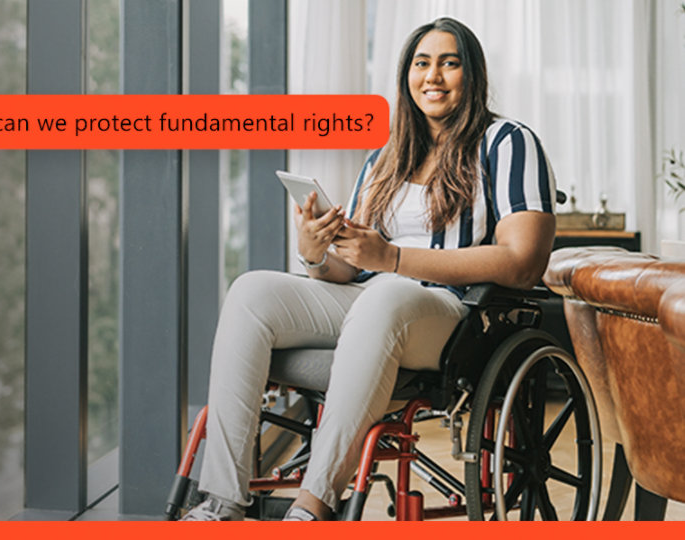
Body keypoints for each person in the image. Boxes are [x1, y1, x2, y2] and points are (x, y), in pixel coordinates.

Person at [181, 16, 556, 521]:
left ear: (473, 74)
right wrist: (316, 252)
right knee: (251, 291)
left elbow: (523, 262)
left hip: (452, 313)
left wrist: (394, 260)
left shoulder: (508, 143)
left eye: (450, 63)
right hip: (370, 302)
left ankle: (313, 504)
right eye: (422, 63)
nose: (433, 76)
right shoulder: (386, 156)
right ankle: (222, 500)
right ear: (405, 76)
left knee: (385, 295)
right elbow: (350, 267)